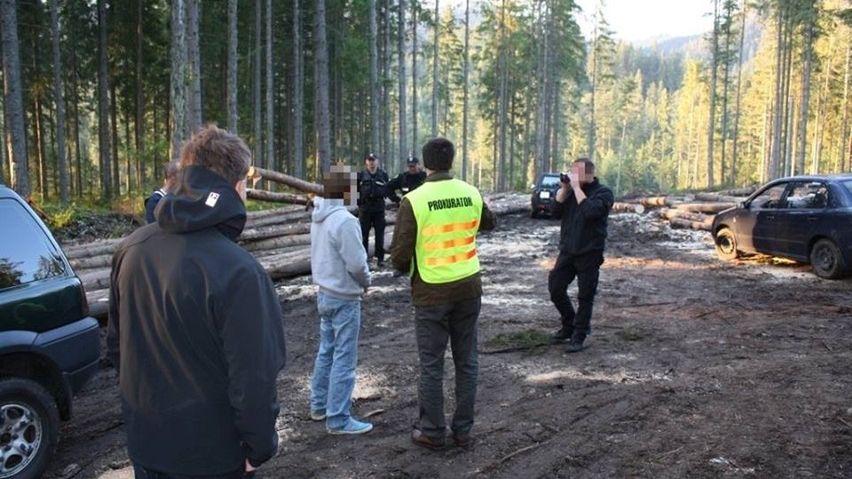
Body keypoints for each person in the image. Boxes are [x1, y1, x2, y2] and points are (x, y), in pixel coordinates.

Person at [107, 125, 287, 478]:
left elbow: (117, 350)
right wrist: (259, 448)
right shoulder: (240, 272)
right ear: (239, 187)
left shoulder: (130, 249)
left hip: (147, 447)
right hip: (213, 460)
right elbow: (254, 379)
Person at [390, 137, 496, 450]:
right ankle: (463, 430)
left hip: (431, 292)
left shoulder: (416, 199)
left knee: (432, 365)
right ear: (451, 161)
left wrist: (409, 267)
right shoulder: (469, 192)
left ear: (424, 164)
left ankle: (433, 432)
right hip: (468, 287)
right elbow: (488, 223)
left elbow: (399, 253)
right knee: (467, 362)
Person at [309, 164, 374, 435]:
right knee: (344, 357)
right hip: (344, 297)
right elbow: (357, 263)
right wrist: (366, 282)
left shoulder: (319, 216)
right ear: (345, 190)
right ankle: (337, 418)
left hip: (325, 293)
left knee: (327, 351)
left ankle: (319, 405)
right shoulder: (344, 221)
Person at [548, 158, 614, 353]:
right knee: (555, 288)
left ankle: (579, 335)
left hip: (589, 253)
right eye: (571, 171)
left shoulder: (604, 193)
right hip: (568, 251)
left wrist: (577, 189)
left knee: (585, 296)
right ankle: (569, 324)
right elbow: (553, 213)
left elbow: (590, 212)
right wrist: (564, 190)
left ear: (589, 174)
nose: (572, 175)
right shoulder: (570, 192)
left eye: (577, 172)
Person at [357, 153, 390, 267]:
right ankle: (363, 259)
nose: (371, 162)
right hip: (365, 209)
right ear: (366, 162)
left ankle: (380, 258)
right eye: (369, 160)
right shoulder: (360, 175)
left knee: (379, 234)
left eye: (373, 160)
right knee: (363, 235)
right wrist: (359, 203)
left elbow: (388, 189)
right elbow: (354, 192)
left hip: (379, 208)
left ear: (377, 161)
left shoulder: (383, 175)